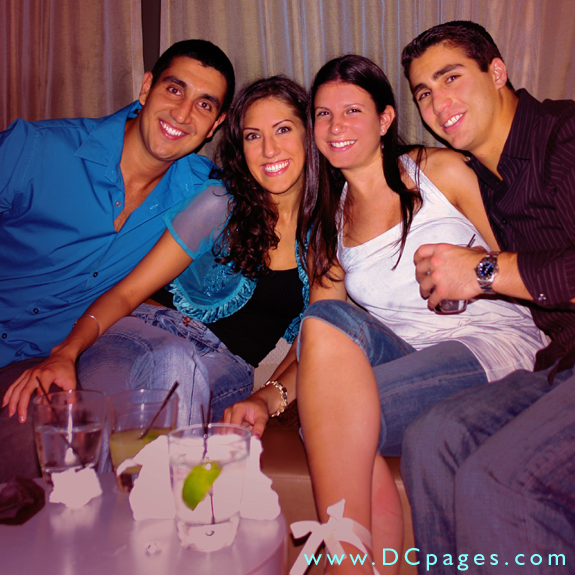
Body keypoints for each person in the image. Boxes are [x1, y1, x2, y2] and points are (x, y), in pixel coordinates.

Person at [286, 55, 547, 575]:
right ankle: (363, 563)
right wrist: (270, 394)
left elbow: (521, 259)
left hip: (490, 342)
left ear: (385, 119)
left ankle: (347, 563)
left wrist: (475, 272)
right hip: (409, 355)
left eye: (353, 110)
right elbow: (319, 338)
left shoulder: (439, 171)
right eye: (323, 114)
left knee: (335, 422)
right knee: (321, 323)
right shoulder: (329, 222)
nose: (336, 127)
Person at [4, 75, 314, 473]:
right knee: (161, 375)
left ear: (310, 134)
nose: (269, 149)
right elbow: (127, 293)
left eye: (283, 129)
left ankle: (133, 504)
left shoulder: (329, 238)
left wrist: (268, 397)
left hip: (223, 369)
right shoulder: (220, 203)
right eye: (253, 136)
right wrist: (66, 351)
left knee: (174, 378)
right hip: (136, 337)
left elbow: (313, 345)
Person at [0, 39, 234, 481]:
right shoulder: (36, 150)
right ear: (146, 88)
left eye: (204, 105)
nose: (183, 114)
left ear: (215, 125)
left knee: (47, 443)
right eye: (174, 90)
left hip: (44, 366)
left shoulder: (201, 194)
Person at [399, 20, 575, 574]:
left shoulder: (564, 138)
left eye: (451, 78)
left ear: (497, 72)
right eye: (423, 93)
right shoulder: (483, 179)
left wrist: (482, 270)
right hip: (560, 367)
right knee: (433, 439)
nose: (438, 103)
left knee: (499, 479)